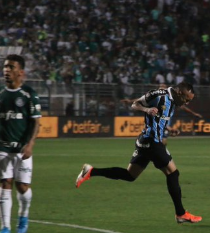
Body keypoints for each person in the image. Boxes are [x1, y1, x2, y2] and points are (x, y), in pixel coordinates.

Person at [76, 82, 202, 224]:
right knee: (173, 173)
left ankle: (91, 171)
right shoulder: (158, 95)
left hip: (146, 142)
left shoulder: (173, 102)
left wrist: (169, 129)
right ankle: (181, 214)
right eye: (186, 99)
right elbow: (135, 104)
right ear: (180, 93)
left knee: (130, 175)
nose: (187, 102)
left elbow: (159, 119)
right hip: (151, 142)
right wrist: (146, 110)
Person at [0, 54, 42, 233]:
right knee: (5, 184)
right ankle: (5, 227)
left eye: (10, 67)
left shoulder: (29, 94)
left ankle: (23, 216)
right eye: (5, 67)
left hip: (22, 148)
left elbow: (36, 122)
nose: (6, 70)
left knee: (22, 186)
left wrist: (30, 144)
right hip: (1, 147)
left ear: (21, 72)